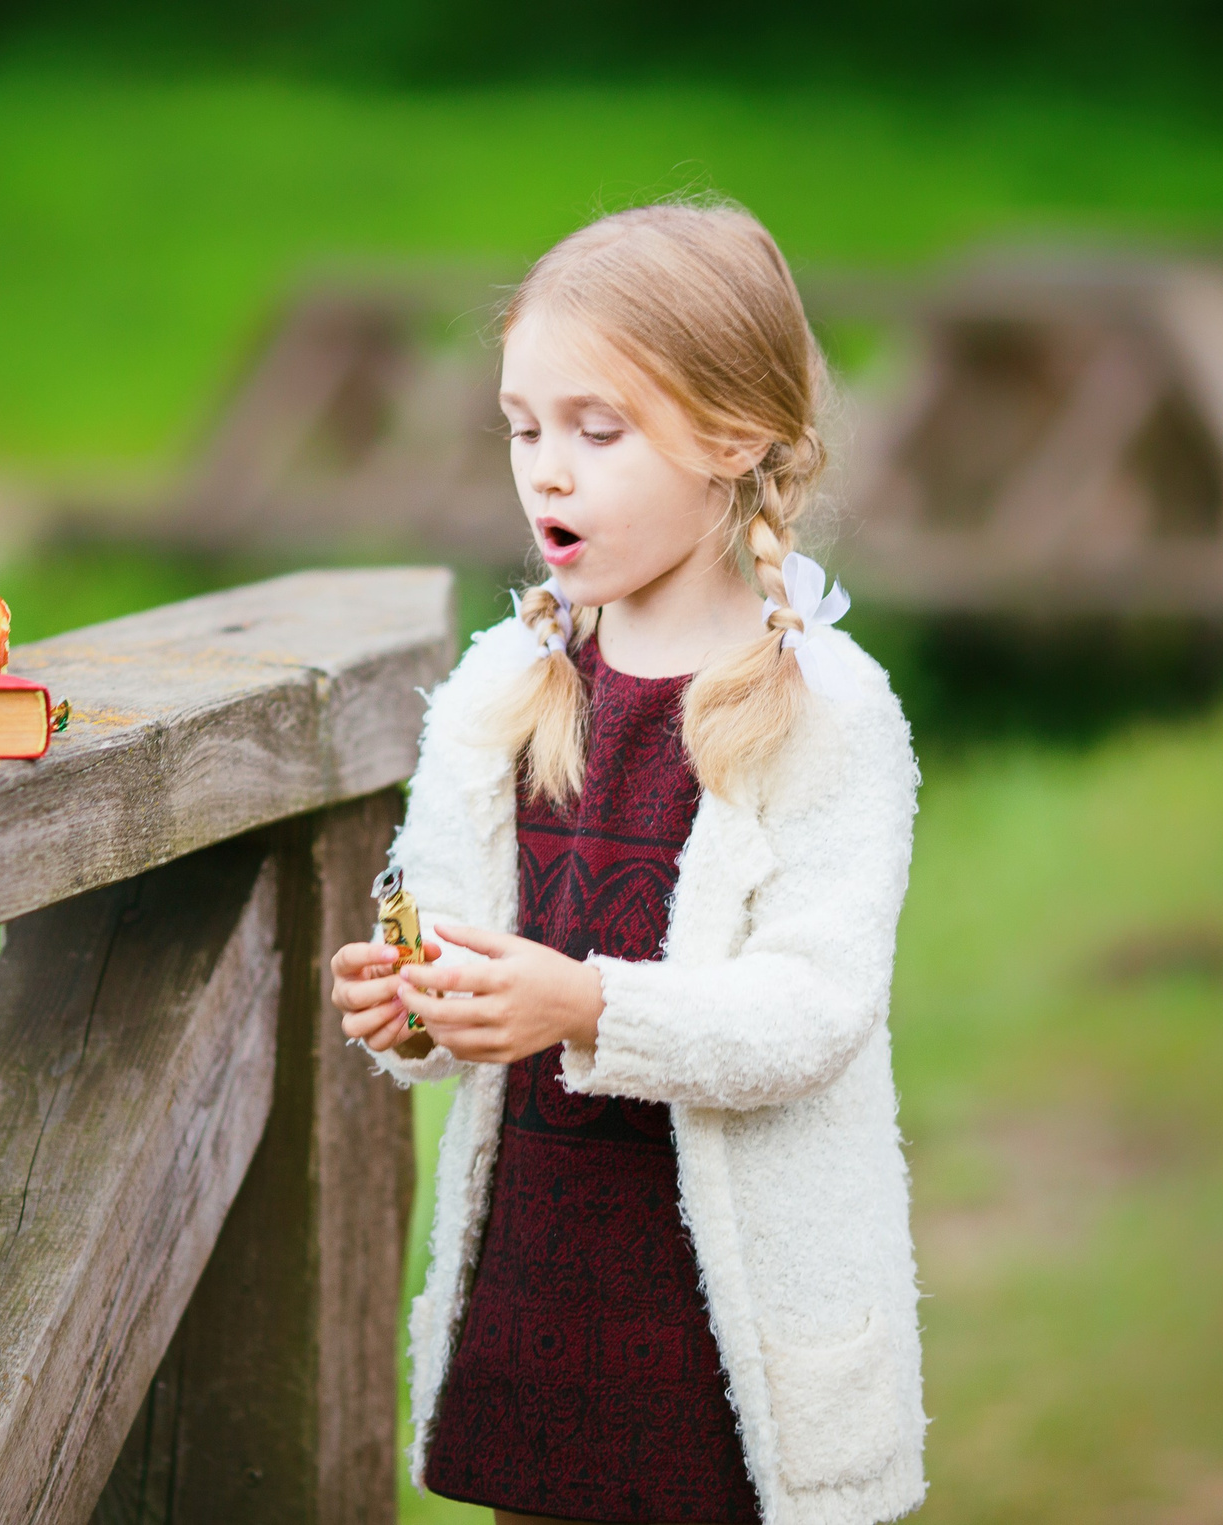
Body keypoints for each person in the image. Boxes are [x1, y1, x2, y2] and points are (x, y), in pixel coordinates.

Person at [328, 200, 926, 1525]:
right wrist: (413, 1007)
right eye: (523, 428)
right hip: (540, 1288)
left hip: (722, 1335)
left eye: (599, 432)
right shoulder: (507, 685)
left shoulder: (827, 710)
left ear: (733, 438)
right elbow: (458, 936)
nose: (547, 471)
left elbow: (813, 1012)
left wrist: (590, 1005)